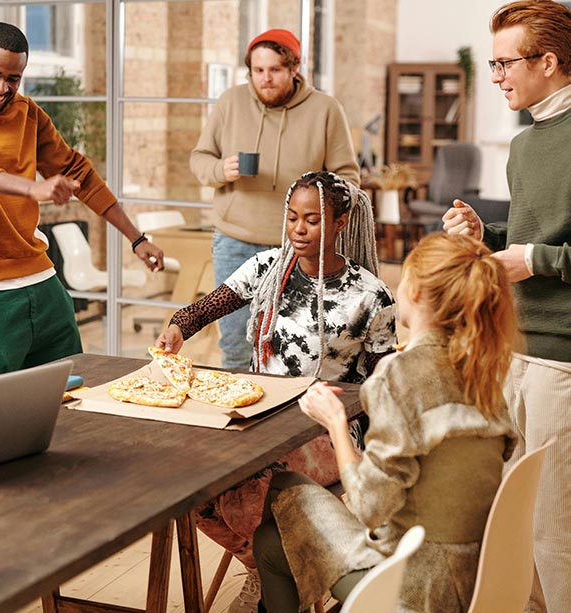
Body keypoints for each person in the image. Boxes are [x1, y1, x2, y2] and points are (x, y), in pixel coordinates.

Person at [155, 171, 396, 612]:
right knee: (188, 486)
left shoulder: (370, 295)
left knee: (251, 488)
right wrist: (178, 327)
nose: (298, 230)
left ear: (341, 223)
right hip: (259, 417)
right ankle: (264, 566)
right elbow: (212, 304)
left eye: (312, 220)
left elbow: (382, 389)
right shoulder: (268, 270)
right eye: (291, 218)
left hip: (325, 427)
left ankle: (280, 573)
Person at [253, 233, 519, 612]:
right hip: (477, 575)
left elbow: (368, 507)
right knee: (276, 518)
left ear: (420, 293)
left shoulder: (399, 376)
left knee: (277, 508)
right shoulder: (483, 372)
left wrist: (336, 424)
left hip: (412, 586)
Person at [0, 22, 163, 379]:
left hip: (41, 279)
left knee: (72, 389)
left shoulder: (29, 113)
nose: (2, 89)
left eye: (13, 79)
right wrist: (32, 188)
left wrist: (136, 238)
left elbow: (81, 174)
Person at [443, 3, 571, 610]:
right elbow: (529, 231)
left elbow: (543, 251)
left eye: (504, 62)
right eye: (492, 62)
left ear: (548, 62)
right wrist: (485, 233)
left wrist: (534, 261)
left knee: (554, 533)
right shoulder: (525, 144)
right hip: (515, 353)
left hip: (562, 364)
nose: (495, 75)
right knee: (517, 525)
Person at [190, 28, 360, 371]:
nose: (265, 79)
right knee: (236, 344)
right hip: (233, 241)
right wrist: (221, 169)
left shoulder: (326, 109)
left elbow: (349, 179)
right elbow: (199, 159)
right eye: (257, 71)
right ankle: (239, 416)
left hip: (297, 247)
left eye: (275, 70)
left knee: (298, 345)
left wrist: (318, 200)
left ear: (294, 68)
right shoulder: (231, 102)